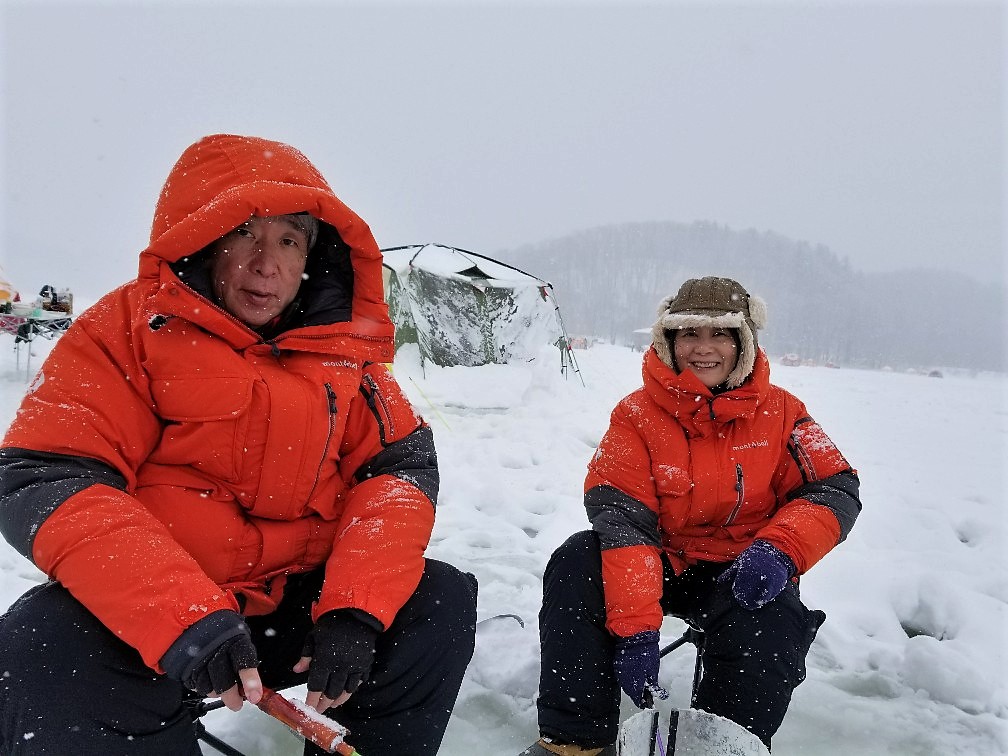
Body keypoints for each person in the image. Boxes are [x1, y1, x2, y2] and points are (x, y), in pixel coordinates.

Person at [0, 133, 478, 756]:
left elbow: (397, 475)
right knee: (41, 643)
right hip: (170, 620)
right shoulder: (124, 333)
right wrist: (183, 617)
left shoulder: (347, 357)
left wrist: (355, 610)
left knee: (435, 600)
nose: (267, 262)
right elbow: (47, 475)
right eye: (245, 234)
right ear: (202, 241)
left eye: (288, 240)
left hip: (299, 607)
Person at [520, 276, 861, 755]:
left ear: (744, 341)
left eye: (719, 334)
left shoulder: (784, 411)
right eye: (689, 334)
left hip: (745, 569)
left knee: (772, 618)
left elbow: (833, 487)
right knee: (579, 559)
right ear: (669, 340)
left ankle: (723, 743)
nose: (703, 348)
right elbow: (622, 522)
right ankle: (574, 741)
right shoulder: (635, 415)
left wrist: (780, 551)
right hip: (658, 561)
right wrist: (637, 630)